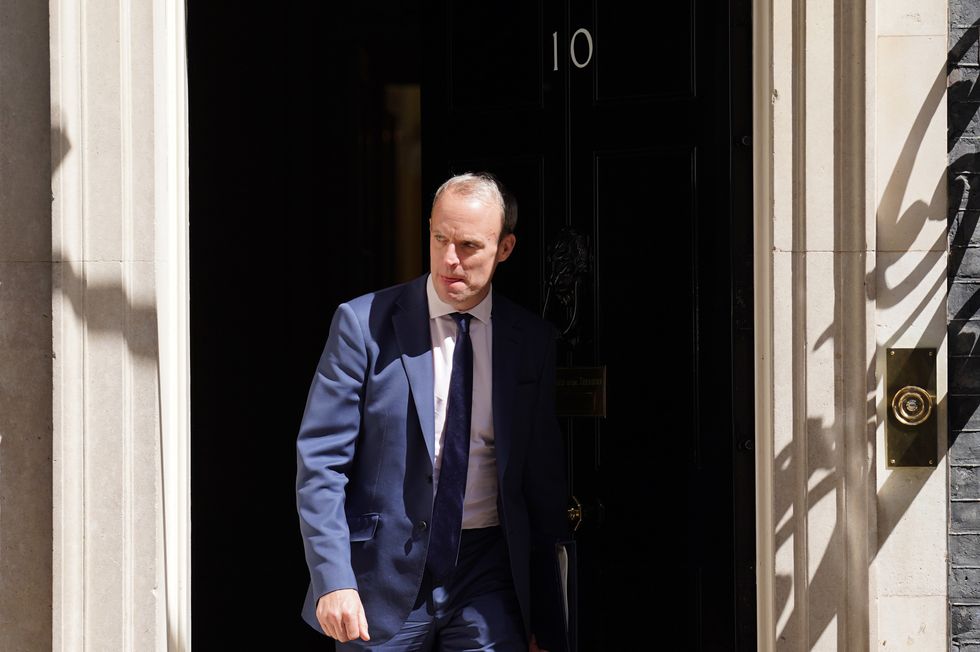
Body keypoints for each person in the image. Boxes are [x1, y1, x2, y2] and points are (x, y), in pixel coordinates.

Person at [295, 172, 571, 651]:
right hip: (380, 578)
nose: (449, 259)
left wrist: (546, 617)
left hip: (488, 573)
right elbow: (321, 462)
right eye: (440, 238)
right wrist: (332, 578)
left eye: (468, 245)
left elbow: (540, 480)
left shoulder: (530, 342)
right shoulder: (363, 325)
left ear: (504, 248)